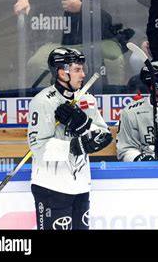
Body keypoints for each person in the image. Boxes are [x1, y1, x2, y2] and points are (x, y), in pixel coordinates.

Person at [28, 47, 113, 230]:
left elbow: (104, 135)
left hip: (81, 185)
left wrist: (83, 123)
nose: (83, 74)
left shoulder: (87, 99)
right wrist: (75, 145)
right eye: (77, 69)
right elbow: (37, 146)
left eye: (83, 69)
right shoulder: (43, 102)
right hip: (51, 187)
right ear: (61, 72)